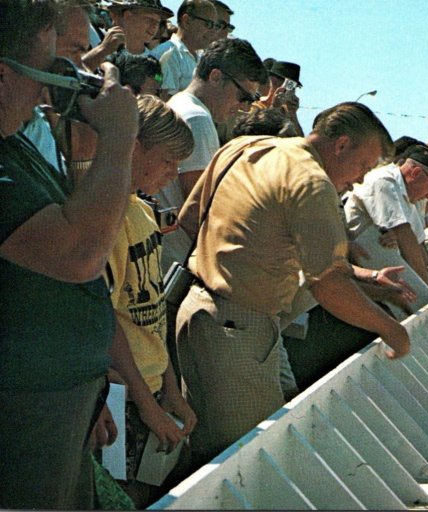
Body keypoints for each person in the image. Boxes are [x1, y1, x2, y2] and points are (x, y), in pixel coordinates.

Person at [176, 102, 410, 468]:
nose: (361, 179)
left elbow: (190, 218)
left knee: (205, 454)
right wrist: (391, 329)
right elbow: (328, 286)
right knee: (243, 467)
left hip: (195, 312)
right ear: (342, 145)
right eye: (364, 165)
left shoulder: (246, 147)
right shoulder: (312, 183)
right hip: (240, 332)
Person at [0, 1, 140, 507]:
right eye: (44, 69)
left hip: (57, 397)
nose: (46, 89)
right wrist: (120, 138)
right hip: (25, 410)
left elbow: (83, 232)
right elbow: (81, 253)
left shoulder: (15, 145)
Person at [104, 95, 197, 507]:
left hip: (151, 386)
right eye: (167, 161)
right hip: (121, 394)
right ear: (133, 144)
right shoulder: (106, 217)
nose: (173, 173)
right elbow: (103, 320)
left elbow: (154, 311)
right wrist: (147, 405)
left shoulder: (142, 212)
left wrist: (171, 390)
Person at [157, 37, 264, 270]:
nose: (245, 108)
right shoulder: (198, 119)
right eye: (244, 97)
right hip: (176, 260)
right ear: (216, 77)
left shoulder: (180, 104)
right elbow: (198, 212)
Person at [345, 143, 428, 305]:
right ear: (416, 173)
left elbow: (417, 245)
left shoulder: (412, 196)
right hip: (356, 279)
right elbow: (404, 234)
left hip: (383, 281)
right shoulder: (384, 181)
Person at [152, 0, 219, 97]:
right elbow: (167, 103)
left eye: (215, 26)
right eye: (208, 24)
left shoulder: (202, 58)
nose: (213, 32)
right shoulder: (167, 53)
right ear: (187, 21)